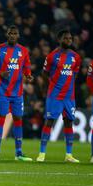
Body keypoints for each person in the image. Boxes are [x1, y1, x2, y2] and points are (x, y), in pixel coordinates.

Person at [0, 25, 33, 161]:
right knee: (1, 119)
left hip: (17, 93)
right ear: (7, 35)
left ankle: (18, 153)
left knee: (18, 119)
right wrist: (0, 73)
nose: (12, 35)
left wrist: (28, 74)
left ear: (18, 35)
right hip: (3, 92)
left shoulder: (23, 51)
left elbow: (27, 66)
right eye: (10, 33)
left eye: (15, 33)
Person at [37, 29, 82, 163]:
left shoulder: (76, 57)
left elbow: (75, 74)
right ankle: (42, 153)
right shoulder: (52, 56)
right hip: (54, 95)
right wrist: (51, 84)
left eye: (70, 38)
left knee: (68, 122)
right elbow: (44, 73)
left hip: (69, 97)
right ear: (59, 39)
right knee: (49, 121)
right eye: (65, 38)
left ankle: (69, 155)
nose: (68, 40)